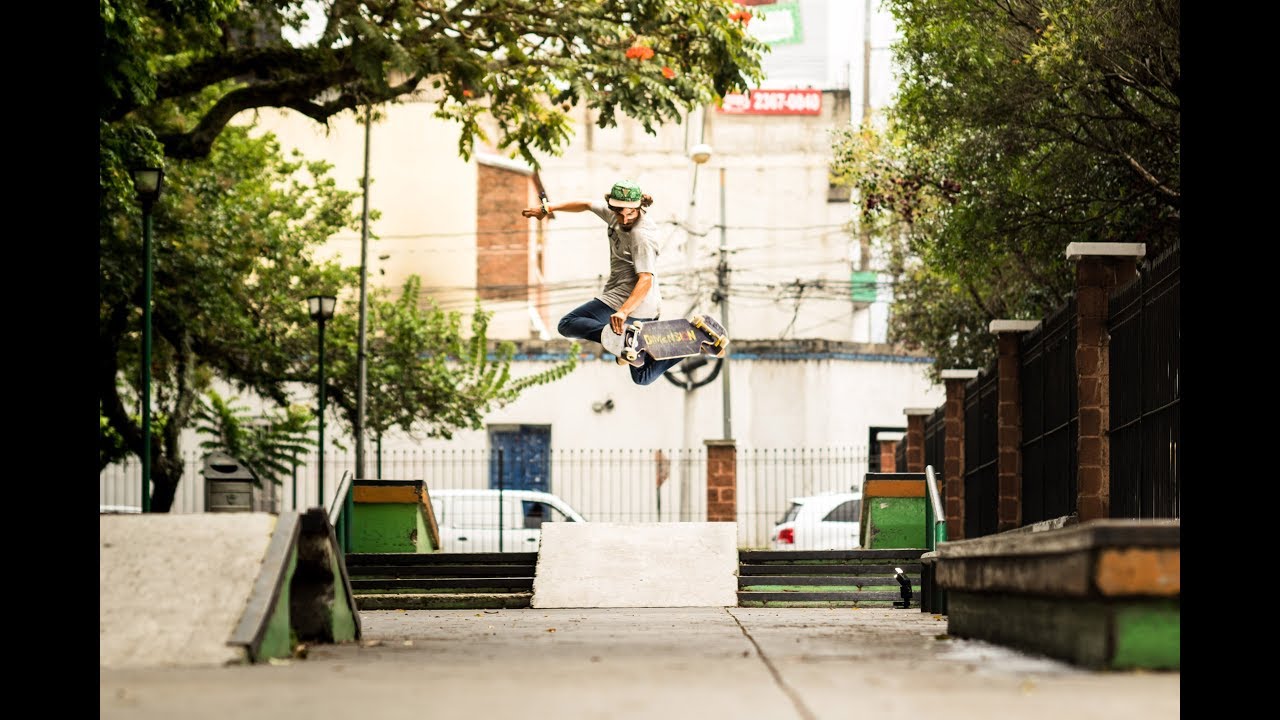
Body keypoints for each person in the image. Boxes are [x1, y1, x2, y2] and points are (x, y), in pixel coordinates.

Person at [522, 179, 697, 386]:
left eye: (630, 214)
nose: (624, 220)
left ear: (639, 208)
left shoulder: (642, 236)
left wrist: (623, 312)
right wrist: (549, 207)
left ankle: (624, 339)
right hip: (643, 312)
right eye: (619, 214)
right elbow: (586, 204)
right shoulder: (615, 214)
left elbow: (646, 279)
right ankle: (688, 341)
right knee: (642, 377)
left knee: (568, 324)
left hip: (630, 301)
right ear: (612, 207)